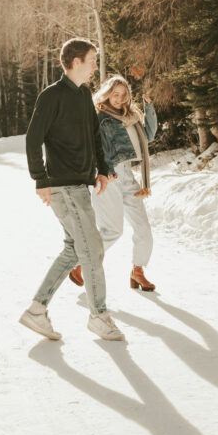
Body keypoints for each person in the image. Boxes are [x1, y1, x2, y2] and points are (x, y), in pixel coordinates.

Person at [19, 38, 125, 342]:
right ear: (76, 62)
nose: (95, 65)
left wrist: (102, 169)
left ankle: (37, 310)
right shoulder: (51, 96)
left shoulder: (82, 95)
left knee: (74, 249)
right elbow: (32, 139)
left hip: (80, 184)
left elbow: (93, 135)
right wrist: (40, 179)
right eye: (92, 60)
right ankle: (99, 316)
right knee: (92, 249)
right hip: (62, 186)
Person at [69, 74, 158, 293]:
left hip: (127, 176)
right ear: (107, 94)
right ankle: (81, 265)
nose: (119, 99)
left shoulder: (132, 118)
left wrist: (149, 110)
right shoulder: (98, 117)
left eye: (123, 94)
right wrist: (103, 170)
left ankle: (138, 271)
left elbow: (148, 137)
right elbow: (90, 147)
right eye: (115, 94)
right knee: (112, 230)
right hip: (106, 178)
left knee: (143, 229)